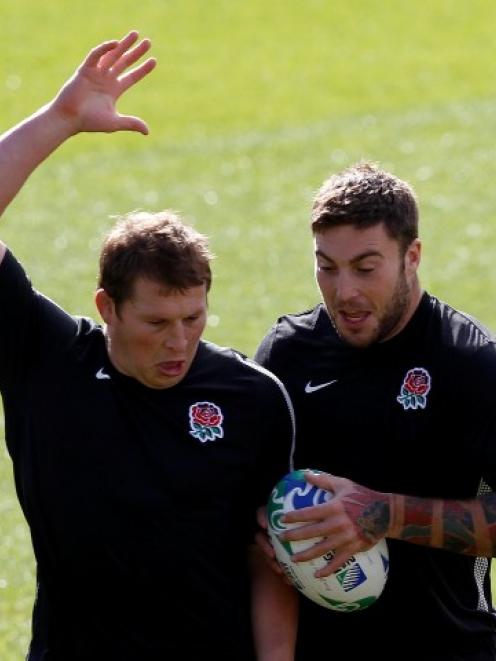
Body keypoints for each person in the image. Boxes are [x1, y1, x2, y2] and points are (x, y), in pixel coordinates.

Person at [0, 32, 298, 660]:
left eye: (193, 317)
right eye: (157, 322)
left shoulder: (252, 398)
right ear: (106, 307)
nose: (180, 340)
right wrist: (60, 120)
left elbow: (271, 559)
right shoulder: (47, 361)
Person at [255, 161, 496, 660]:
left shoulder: (470, 364)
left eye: (366, 268)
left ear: (412, 256)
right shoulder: (286, 356)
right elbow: (247, 500)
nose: (345, 292)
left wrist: (381, 514)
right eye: (326, 266)